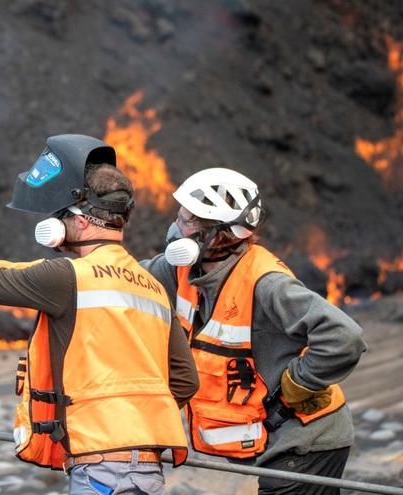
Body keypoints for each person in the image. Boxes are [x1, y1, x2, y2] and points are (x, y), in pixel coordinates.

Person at [0, 134, 199, 495]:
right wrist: (136, 419)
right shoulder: (151, 287)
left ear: (79, 221)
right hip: (148, 466)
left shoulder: (68, 276)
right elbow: (185, 381)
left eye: (60, 214)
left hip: (100, 464)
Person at [142, 167, 368, 495]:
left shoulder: (266, 284)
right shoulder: (182, 270)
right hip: (274, 442)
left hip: (307, 441)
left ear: (221, 235)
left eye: (188, 221)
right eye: (180, 216)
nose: (175, 229)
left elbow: (344, 336)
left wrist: (298, 383)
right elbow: (127, 282)